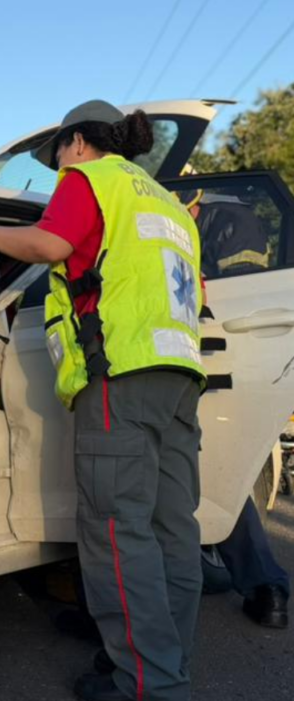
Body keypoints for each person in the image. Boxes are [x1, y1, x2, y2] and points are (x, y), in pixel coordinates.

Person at [0, 101, 205, 701]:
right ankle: (166, 663)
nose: (58, 171)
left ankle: (149, 685)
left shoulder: (90, 179)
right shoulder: (167, 204)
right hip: (180, 378)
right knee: (171, 531)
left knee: (117, 534)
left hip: (120, 377)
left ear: (77, 142)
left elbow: (52, 245)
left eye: (56, 155)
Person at [175, 187, 291, 628]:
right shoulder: (208, 216)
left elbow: (243, 290)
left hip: (207, 361)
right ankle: (265, 586)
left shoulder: (227, 216)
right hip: (203, 360)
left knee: (198, 474)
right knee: (211, 475)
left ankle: (262, 582)